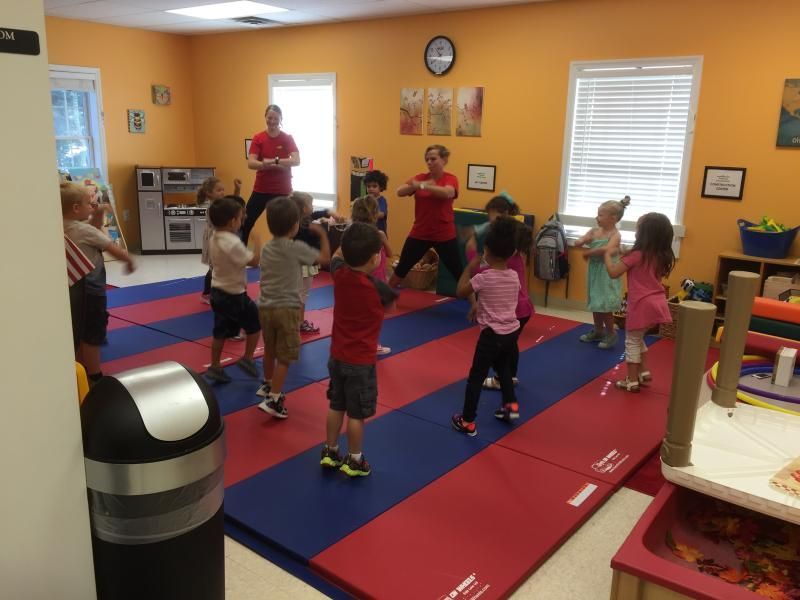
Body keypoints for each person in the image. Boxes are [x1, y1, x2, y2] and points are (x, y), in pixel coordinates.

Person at [320, 222, 398, 477]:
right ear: (375, 258)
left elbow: (336, 256)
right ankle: (355, 460)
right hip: (361, 363)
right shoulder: (378, 289)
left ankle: (330, 451)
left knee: (336, 405)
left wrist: (345, 245)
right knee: (356, 415)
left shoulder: (339, 273)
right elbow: (391, 307)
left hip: (337, 356)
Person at [256, 196, 330, 418]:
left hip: (265, 307)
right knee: (286, 356)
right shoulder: (295, 248)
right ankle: (274, 399)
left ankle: (268, 384)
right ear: (294, 225)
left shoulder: (267, 247)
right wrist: (323, 234)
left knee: (270, 349)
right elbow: (325, 259)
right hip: (286, 309)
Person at [452, 218, 522, 436]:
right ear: (512, 254)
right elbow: (499, 299)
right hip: (510, 333)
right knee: (504, 370)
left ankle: (467, 420)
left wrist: (469, 268)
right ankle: (510, 409)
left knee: (476, 377)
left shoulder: (483, 278)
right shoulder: (514, 277)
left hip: (491, 335)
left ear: (487, 252)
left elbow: (460, 292)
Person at [61, 182, 136, 384]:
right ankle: (95, 376)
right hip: (92, 289)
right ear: (76, 208)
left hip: (73, 288)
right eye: (89, 203)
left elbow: (90, 229)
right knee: (92, 334)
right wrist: (129, 261)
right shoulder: (84, 230)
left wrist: (99, 213)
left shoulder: (62, 225)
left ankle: (79, 370)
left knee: (78, 328)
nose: (92, 206)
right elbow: (111, 247)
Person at [462, 194, 534, 390]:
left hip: (513, 308)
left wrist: (471, 254)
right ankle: (510, 377)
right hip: (522, 308)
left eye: (493, 220)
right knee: (510, 344)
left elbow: (482, 274)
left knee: (498, 347)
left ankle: (502, 379)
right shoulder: (516, 249)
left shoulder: (506, 253)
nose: (490, 224)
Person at [604, 212, 675, 392]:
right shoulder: (660, 255)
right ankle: (643, 372)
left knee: (632, 341)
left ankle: (632, 380)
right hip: (657, 302)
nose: (635, 231)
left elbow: (613, 272)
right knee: (638, 337)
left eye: (638, 228)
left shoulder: (637, 255)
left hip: (641, 305)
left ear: (644, 234)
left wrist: (606, 256)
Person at [388, 144, 463, 290]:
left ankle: (475, 302)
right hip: (420, 232)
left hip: (444, 234)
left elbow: (447, 193)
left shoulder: (450, 179)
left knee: (458, 271)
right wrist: (419, 184)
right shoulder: (420, 178)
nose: (429, 162)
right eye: (427, 159)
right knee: (402, 267)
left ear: (444, 160)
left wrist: (423, 186)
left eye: (433, 159)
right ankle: (384, 296)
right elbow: (400, 191)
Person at [205, 196, 262, 383]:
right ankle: (247, 358)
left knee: (220, 332)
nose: (242, 221)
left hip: (217, 292)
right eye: (240, 218)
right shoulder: (233, 242)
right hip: (234, 295)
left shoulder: (214, 236)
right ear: (232, 222)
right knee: (255, 324)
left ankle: (215, 366)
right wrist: (257, 242)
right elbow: (254, 261)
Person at [574, 196, 630, 349]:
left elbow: (607, 249)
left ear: (613, 218)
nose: (596, 218)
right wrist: (581, 241)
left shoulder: (615, 235)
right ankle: (598, 330)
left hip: (607, 272)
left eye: (600, 215)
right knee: (596, 302)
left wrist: (589, 252)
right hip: (594, 272)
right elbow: (581, 240)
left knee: (605, 305)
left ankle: (611, 333)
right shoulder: (594, 231)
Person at [242, 104, 300, 246]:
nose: (272, 121)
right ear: (265, 117)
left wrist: (274, 161)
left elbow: (296, 160)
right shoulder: (258, 138)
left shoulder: (287, 138)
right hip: (261, 189)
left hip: (282, 190)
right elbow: (251, 163)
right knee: (245, 222)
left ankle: (286, 255)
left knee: (285, 227)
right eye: (269, 118)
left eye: (275, 118)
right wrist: (273, 165)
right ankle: (239, 253)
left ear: (281, 119)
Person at [351, 195, 394, 355]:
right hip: (375, 280)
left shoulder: (352, 233)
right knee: (375, 314)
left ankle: (358, 341)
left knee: (359, 313)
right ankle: (372, 344)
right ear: (375, 214)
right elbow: (390, 253)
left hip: (358, 278)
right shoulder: (378, 234)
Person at [290, 191, 335, 334]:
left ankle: (296, 320)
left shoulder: (297, 221)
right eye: (311, 204)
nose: (313, 207)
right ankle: (299, 322)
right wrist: (322, 229)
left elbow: (314, 214)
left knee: (299, 293)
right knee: (302, 294)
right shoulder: (305, 227)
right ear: (304, 208)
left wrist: (327, 212)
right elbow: (313, 235)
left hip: (299, 264)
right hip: (305, 264)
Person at [199, 176, 242, 303]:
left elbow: (233, 203)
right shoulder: (212, 208)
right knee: (214, 268)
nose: (222, 192)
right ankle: (206, 294)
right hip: (214, 239)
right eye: (219, 190)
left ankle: (219, 290)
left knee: (218, 267)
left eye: (223, 189)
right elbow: (218, 224)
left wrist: (237, 190)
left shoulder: (221, 204)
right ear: (209, 193)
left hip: (220, 238)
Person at [363, 169, 389, 234]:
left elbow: (381, 214)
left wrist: (366, 215)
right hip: (367, 232)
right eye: (368, 186)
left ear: (381, 187)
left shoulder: (382, 200)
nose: (371, 189)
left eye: (374, 186)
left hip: (379, 233)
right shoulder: (365, 200)